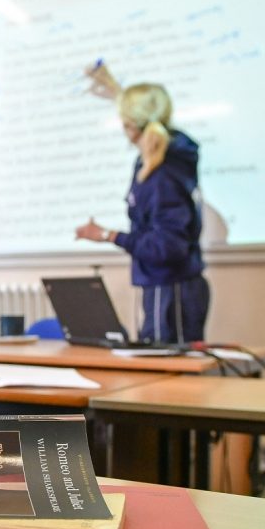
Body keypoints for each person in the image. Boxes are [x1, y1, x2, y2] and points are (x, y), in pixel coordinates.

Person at [75, 65, 209, 343]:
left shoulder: (162, 174)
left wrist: (108, 235)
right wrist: (113, 87)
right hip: (165, 286)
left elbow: (167, 247)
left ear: (131, 125)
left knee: (167, 377)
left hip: (170, 290)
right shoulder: (166, 158)